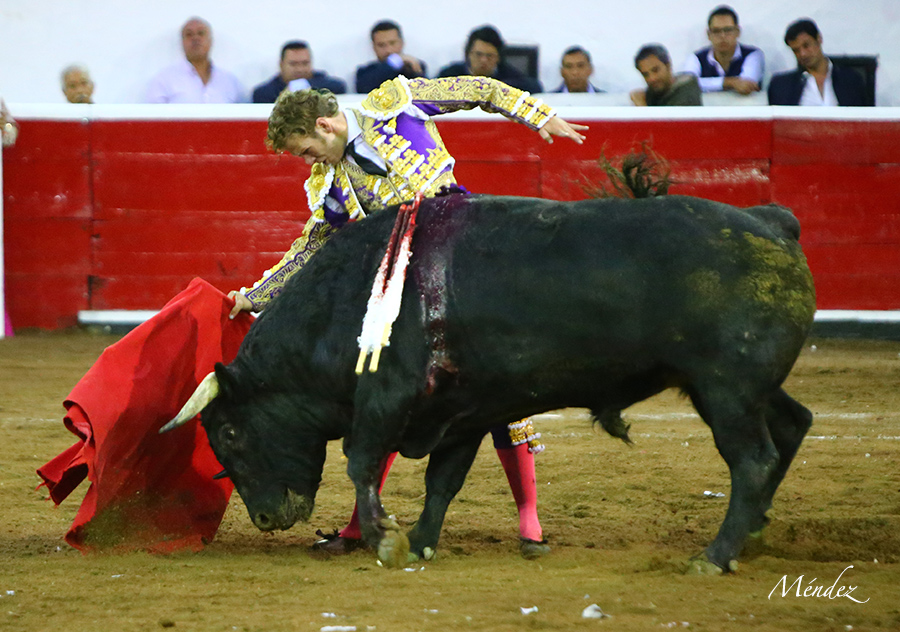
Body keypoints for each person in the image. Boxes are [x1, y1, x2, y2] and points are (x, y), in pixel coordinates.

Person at [229, 75, 587, 557]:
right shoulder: (329, 183)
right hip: (404, 291)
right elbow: (310, 248)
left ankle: (530, 521)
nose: (308, 161)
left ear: (323, 124)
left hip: (467, 262)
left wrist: (539, 117)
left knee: (501, 383)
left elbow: (478, 88)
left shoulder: (394, 105)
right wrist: (255, 296)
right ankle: (361, 523)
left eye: (306, 149)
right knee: (386, 395)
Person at [768, 18, 869, 106]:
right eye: (796, 50)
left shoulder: (851, 80)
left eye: (806, 45)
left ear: (819, 39)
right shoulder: (782, 86)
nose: (802, 54)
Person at [146, 17, 246, 103]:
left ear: (210, 41)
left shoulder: (231, 82)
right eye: (189, 34)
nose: (195, 38)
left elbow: (245, 119)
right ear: (182, 42)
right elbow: (152, 120)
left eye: (201, 33)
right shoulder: (164, 80)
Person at [681, 5, 764, 95]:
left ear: (738, 32)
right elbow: (687, 85)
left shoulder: (753, 55)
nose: (722, 36)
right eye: (716, 31)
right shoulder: (696, 58)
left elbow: (747, 84)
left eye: (728, 30)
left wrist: (711, 84)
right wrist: (728, 82)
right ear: (709, 35)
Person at [438, 25, 542, 93]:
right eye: (478, 54)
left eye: (489, 56)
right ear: (468, 54)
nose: (483, 60)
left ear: (498, 57)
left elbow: (535, 88)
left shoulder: (509, 76)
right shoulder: (451, 74)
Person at [252, 41, 346, 103]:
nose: (300, 69)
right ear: (281, 64)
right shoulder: (266, 92)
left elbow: (339, 87)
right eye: (293, 64)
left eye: (305, 63)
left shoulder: (323, 82)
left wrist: (307, 86)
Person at [355, 20, 427, 94]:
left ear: (401, 43)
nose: (388, 50)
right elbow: (364, 89)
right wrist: (394, 61)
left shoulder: (414, 65)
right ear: (373, 47)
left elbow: (424, 92)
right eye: (381, 45)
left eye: (392, 43)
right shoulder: (364, 72)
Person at [631, 44, 702, 107]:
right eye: (645, 74)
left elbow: (672, 121)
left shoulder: (687, 90)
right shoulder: (653, 92)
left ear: (668, 66)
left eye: (655, 70)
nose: (652, 78)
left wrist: (642, 106)